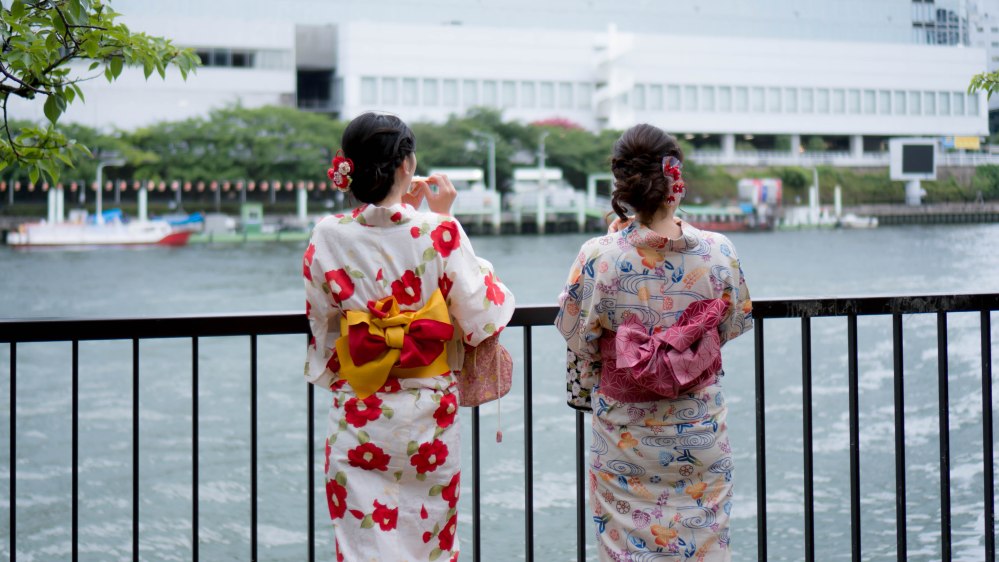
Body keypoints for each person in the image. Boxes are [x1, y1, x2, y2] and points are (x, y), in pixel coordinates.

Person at [303, 112, 515, 561]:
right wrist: (444, 218)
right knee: (431, 540)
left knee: (361, 544)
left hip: (359, 408)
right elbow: (481, 312)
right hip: (427, 413)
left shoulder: (326, 234)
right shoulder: (439, 232)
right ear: (407, 165)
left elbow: (322, 322)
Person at [555, 124, 752, 561]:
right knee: (704, 548)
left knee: (626, 552)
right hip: (699, 427)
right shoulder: (719, 251)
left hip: (627, 438)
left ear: (622, 185)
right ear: (675, 179)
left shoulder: (599, 256)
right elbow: (734, 324)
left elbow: (576, 332)